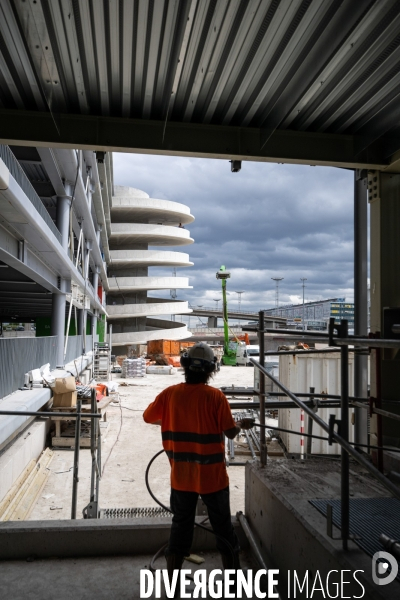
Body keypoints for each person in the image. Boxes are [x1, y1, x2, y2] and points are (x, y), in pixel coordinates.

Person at [143, 342, 254, 588]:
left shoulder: (170, 394)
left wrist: (174, 416)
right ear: (210, 370)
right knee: (223, 528)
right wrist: (240, 425)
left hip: (182, 478)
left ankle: (172, 584)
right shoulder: (216, 397)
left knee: (180, 527)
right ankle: (234, 584)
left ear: (184, 367)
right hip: (213, 479)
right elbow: (230, 433)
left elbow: (148, 416)